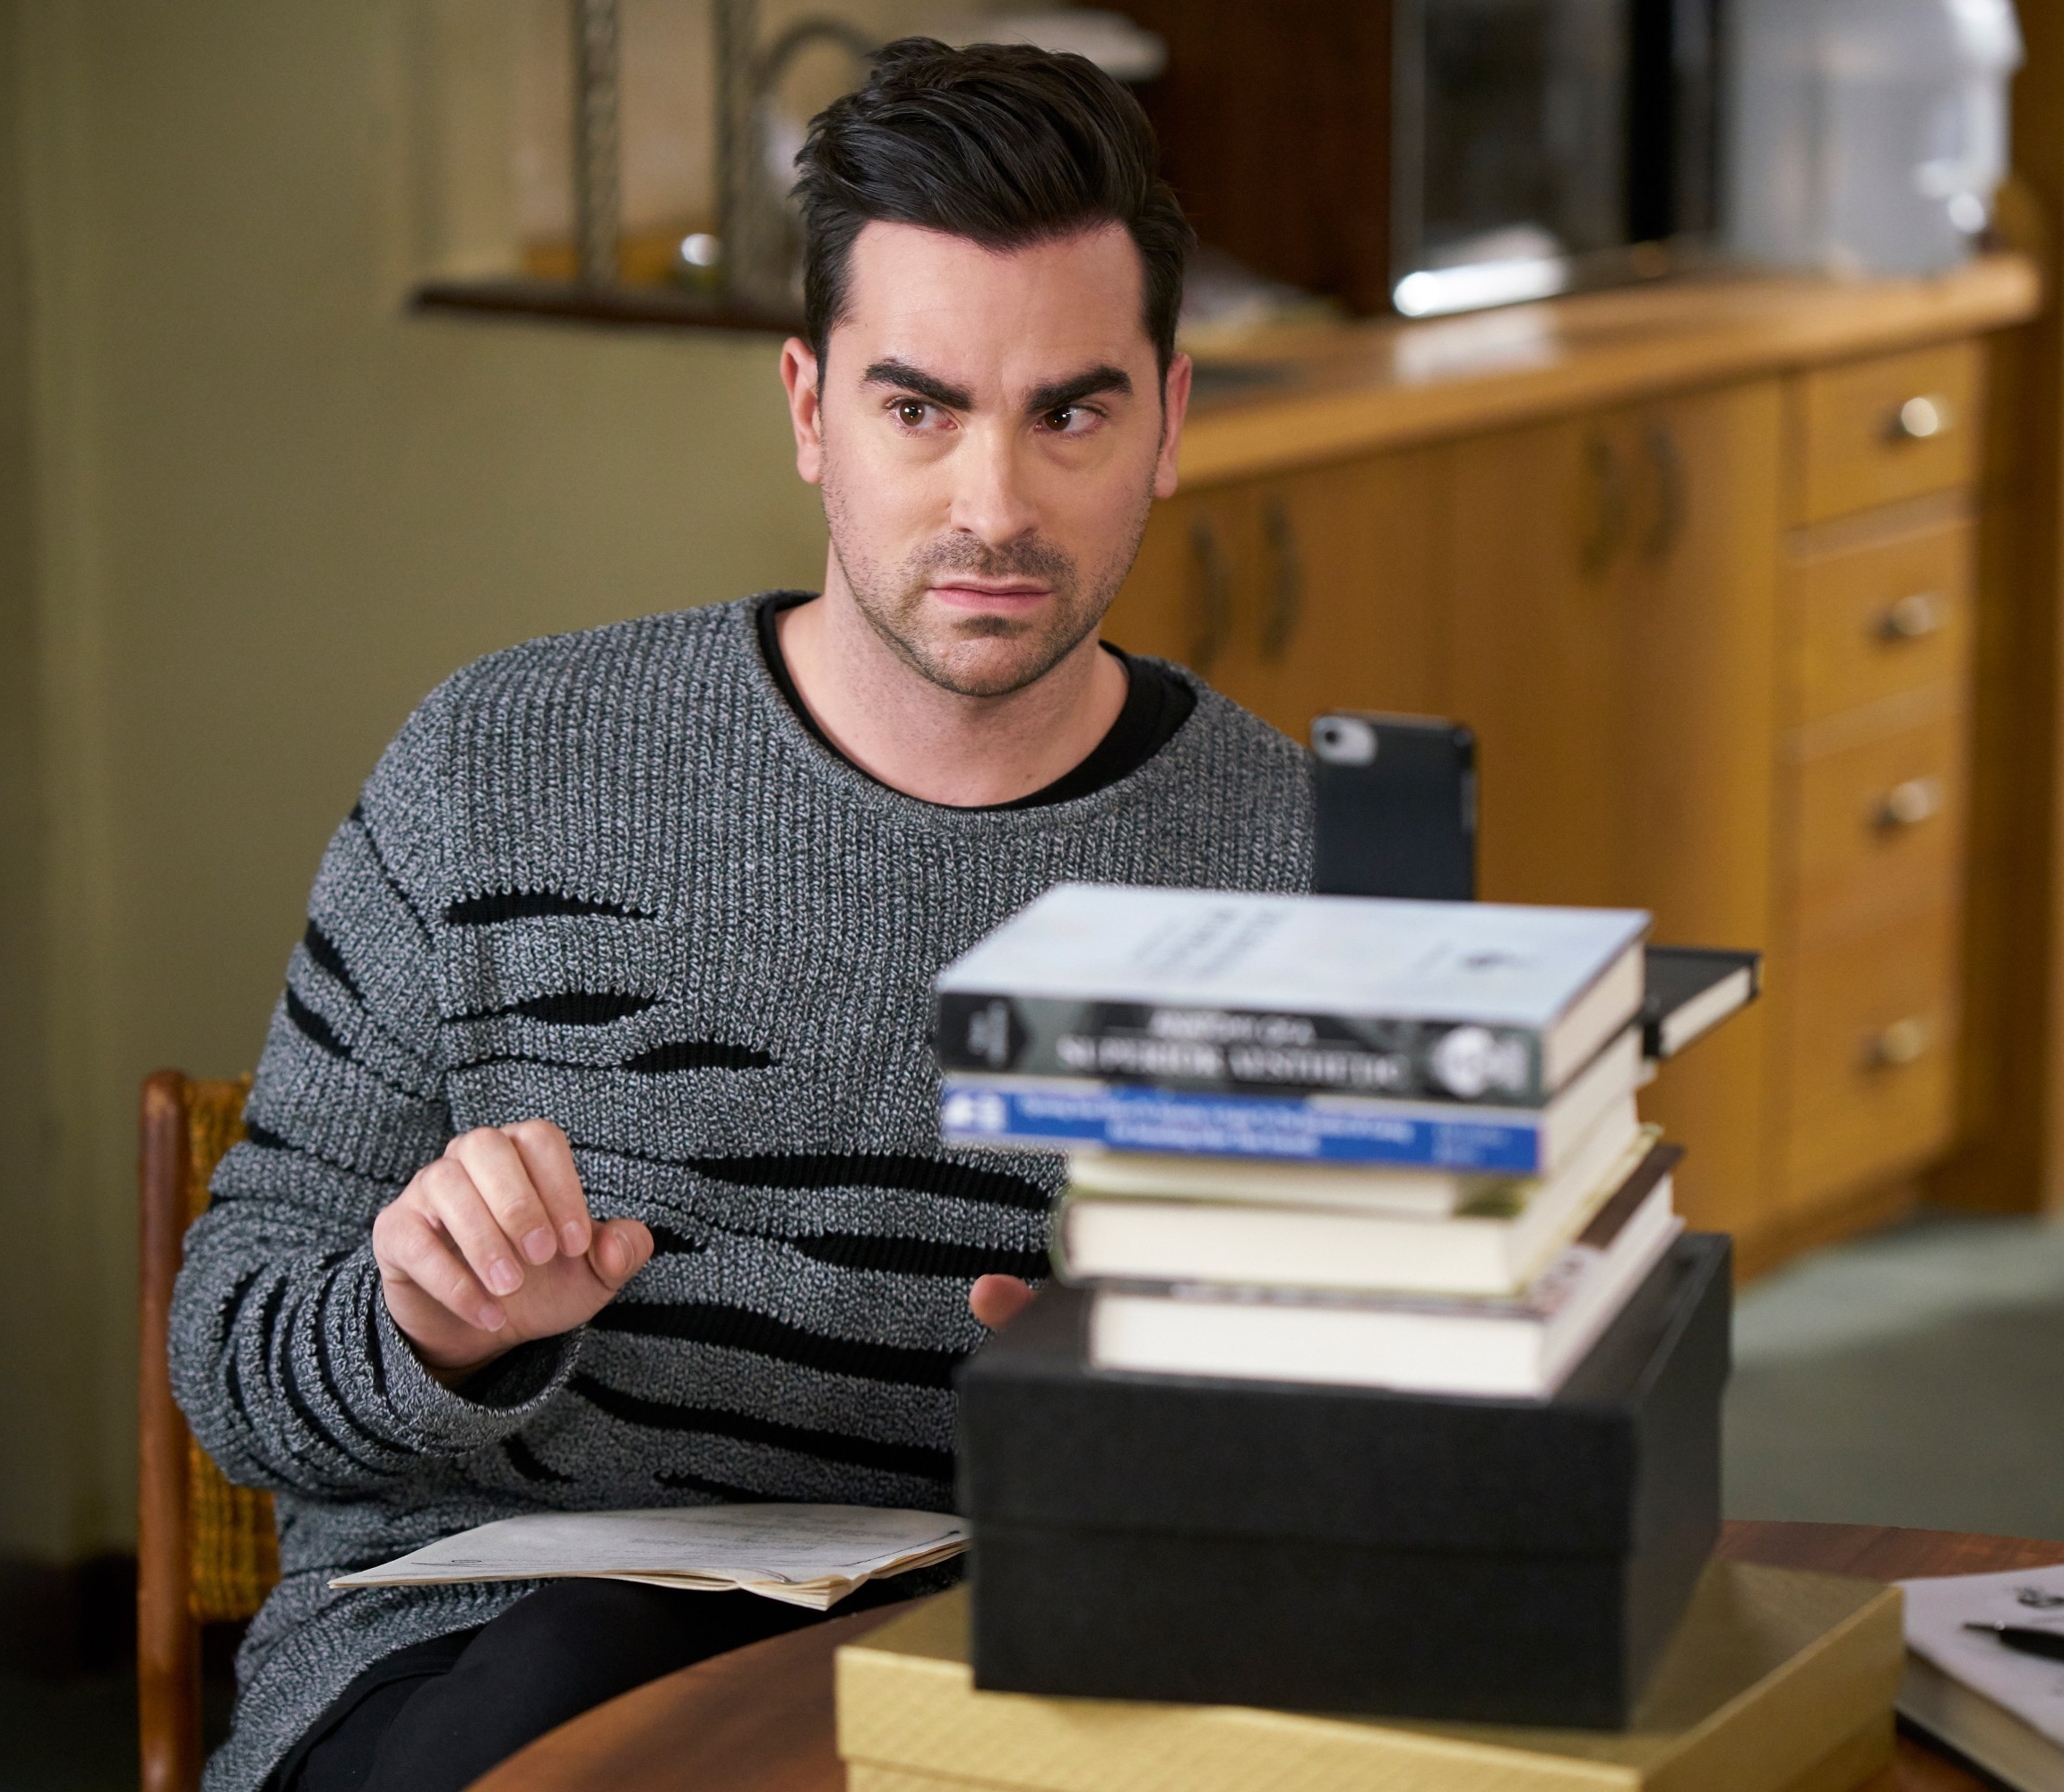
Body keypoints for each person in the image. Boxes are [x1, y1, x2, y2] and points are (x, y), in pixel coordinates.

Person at [169, 37, 1314, 1792]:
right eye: (917, 408)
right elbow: (231, 1360)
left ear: (1170, 419)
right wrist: (429, 1328)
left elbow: (1402, 1484)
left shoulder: (1290, 867)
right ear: (807, 408)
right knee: (590, 1674)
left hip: (1011, 1696)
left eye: (1068, 411)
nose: (990, 506)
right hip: (468, 1667)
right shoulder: (499, 766)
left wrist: (1184, 1430)